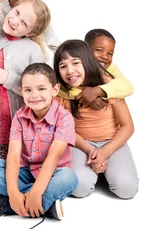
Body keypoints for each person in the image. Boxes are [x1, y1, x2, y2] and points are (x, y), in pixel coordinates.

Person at [0, 63, 78, 229]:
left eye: (41, 89)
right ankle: (39, 205)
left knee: (69, 177)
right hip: (26, 172)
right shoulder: (20, 116)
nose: (34, 95)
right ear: (21, 92)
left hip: (53, 175)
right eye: (28, 90)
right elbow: (14, 156)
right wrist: (14, 192)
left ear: (55, 90)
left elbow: (53, 157)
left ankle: (10, 206)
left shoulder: (64, 117)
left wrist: (36, 192)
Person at [54, 40, 138, 199]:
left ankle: (106, 167)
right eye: (63, 66)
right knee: (78, 188)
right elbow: (66, 130)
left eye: (75, 63)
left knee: (126, 189)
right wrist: (90, 151)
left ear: (87, 61)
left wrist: (105, 152)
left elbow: (128, 126)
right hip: (80, 144)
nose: (70, 71)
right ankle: (96, 167)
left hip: (112, 142)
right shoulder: (62, 93)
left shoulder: (108, 85)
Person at [0, 0, 51, 159]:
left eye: (24, 23)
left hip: (12, 120)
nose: (15, 21)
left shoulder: (33, 51)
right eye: (17, 12)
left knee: (8, 162)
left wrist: (7, 78)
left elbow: (37, 88)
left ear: (31, 33)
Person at [57, 28, 134, 110]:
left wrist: (97, 91)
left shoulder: (109, 67)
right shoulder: (75, 66)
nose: (104, 56)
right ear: (85, 49)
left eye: (110, 54)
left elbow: (128, 86)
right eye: (99, 50)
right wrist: (84, 95)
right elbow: (58, 88)